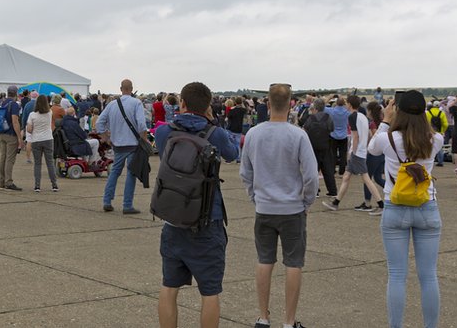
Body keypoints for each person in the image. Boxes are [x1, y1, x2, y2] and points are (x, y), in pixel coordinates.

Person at [155, 82, 237, 328]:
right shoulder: (215, 134)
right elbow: (232, 153)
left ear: (182, 103)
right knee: (210, 292)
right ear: (208, 106)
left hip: (173, 215)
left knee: (169, 286)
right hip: (206, 217)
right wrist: (214, 124)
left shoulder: (164, 132)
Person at [240, 84, 318, 328]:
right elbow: (311, 176)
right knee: (293, 263)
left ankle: (263, 317)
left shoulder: (254, 133)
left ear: (268, 104)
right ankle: (289, 321)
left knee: (265, 261)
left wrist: (255, 196)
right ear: (291, 104)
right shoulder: (298, 135)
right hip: (292, 209)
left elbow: (246, 172)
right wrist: (306, 200)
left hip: (265, 208)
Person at [367, 91, 442, 328]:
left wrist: (386, 120)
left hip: (395, 207)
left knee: (397, 275)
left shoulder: (387, 138)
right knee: (428, 276)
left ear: (397, 109)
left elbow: (371, 149)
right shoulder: (435, 139)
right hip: (427, 207)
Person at [322, 96, 384, 214]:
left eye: (347, 103)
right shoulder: (363, 117)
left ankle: (381, 204)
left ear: (349, 104)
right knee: (346, 177)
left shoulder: (352, 117)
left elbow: (355, 137)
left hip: (357, 153)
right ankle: (336, 203)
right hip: (362, 151)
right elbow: (368, 136)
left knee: (366, 179)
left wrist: (352, 153)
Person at [98, 79, 146, 215]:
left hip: (117, 144)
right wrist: (144, 139)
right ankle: (127, 205)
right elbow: (142, 124)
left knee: (115, 172)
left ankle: (107, 201)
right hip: (133, 144)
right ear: (132, 89)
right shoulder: (137, 103)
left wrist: (105, 138)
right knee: (131, 174)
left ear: (121, 89)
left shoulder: (112, 104)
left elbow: (100, 123)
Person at [302, 98, 337, 198]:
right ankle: (332, 191)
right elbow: (331, 129)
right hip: (326, 146)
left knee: (314, 170)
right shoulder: (328, 117)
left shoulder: (311, 118)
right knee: (328, 170)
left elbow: (305, 129)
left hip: (313, 146)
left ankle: (315, 190)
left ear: (315, 107)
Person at [25, 95, 58, 192]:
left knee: (38, 164)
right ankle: (54, 185)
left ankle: (37, 186)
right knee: (50, 163)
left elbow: (29, 130)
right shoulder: (50, 113)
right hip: (48, 139)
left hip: (36, 140)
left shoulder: (32, 115)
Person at [0, 85, 25, 191]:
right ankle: (9, 182)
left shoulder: (3, 102)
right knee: (10, 159)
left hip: (2, 133)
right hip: (11, 134)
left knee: (3, 158)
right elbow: (15, 121)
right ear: (16, 93)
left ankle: (2, 182)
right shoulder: (14, 105)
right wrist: (19, 138)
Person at [326, 97, 350, 176]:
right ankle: (342, 170)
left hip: (333, 135)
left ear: (336, 103)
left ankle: (333, 170)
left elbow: (322, 107)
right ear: (344, 103)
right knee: (343, 154)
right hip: (343, 135)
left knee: (333, 154)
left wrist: (328, 99)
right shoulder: (347, 112)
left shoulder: (332, 111)